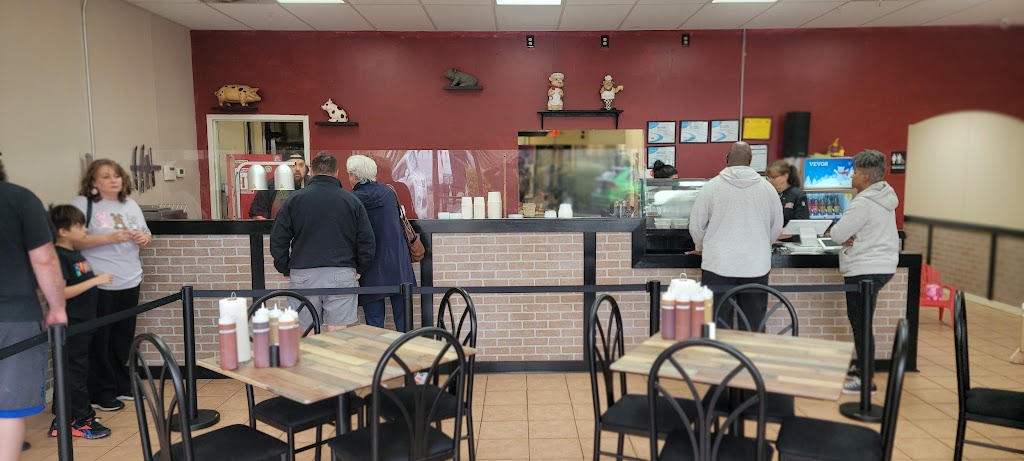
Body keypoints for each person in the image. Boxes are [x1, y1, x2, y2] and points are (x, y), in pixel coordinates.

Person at [0, 154, 68, 460]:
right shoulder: (20, 199)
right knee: (8, 409)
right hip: (14, 318)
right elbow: (44, 260)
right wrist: (57, 307)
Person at [73, 159, 152, 413]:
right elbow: (72, 241)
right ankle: (101, 391)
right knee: (100, 339)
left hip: (130, 278)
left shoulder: (130, 205)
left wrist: (143, 238)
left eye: (116, 175)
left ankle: (121, 383)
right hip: (99, 281)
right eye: (106, 176)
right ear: (93, 181)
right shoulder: (83, 205)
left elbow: (147, 234)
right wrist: (109, 237)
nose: (113, 180)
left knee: (122, 337)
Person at [270, 152, 376, 333]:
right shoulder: (351, 200)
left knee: (305, 330)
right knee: (338, 331)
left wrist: (285, 267)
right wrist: (360, 267)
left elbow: (278, 238)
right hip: (342, 272)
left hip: (303, 273)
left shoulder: (295, 199)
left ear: (311, 171)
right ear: (337, 172)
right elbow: (366, 240)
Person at [688, 142, 783, 331]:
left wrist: (702, 247)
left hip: (718, 264)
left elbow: (696, 225)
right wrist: (764, 246)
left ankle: (718, 350)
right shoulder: (767, 189)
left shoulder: (711, 187)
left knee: (717, 322)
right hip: (756, 265)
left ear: (727, 159)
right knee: (754, 323)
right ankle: (748, 351)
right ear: (751, 160)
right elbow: (776, 226)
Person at [829, 149, 899, 394]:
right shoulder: (885, 197)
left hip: (865, 268)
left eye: (856, 172)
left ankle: (866, 381)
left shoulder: (862, 202)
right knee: (863, 322)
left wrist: (844, 235)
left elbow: (837, 234)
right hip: (883, 265)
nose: (852, 175)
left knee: (861, 324)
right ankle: (863, 368)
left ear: (866, 177)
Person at [48, 205, 114, 439]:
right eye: (79, 225)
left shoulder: (74, 253)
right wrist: (95, 280)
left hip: (84, 323)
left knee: (77, 371)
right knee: (74, 372)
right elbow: (60, 292)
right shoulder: (58, 256)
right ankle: (81, 420)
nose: (85, 230)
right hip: (71, 325)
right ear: (63, 231)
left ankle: (64, 418)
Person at [347, 155, 416, 332]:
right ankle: (404, 349)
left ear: (354, 176)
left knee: (374, 324)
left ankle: (379, 351)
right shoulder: (389, 193)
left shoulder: (352, 200)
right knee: (404, 321)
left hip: (370, 266)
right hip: (397, 263)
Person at [248, 151, 309, 220]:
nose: (297, 169)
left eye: (301, 165)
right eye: (292, 165)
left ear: (306, 168)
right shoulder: (271, 185)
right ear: (283, 167)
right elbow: (257, 214)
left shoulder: (311, 184)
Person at [765, 159, 809, 226]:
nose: (770, 180)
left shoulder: (797, 195)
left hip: (789, 231)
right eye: (768, 177)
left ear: (785, 176)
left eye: (774, 177)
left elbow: (801, 222)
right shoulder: (768, 194)